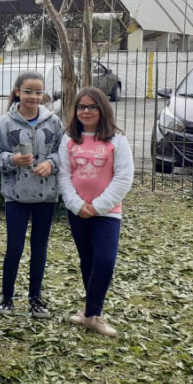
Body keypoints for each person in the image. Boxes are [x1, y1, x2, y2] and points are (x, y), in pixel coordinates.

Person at [58, 86, 134, 338]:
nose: (86, 111)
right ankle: (91, 313)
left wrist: (98, 206)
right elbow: (64, 174)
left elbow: (124, 177)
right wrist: (77, 205)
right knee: (88, 261)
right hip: (77, 211)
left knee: (105, 261)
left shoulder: (116, 139)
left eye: (92, 106)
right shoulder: (69, 138)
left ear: (102, 109)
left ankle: (93, 313)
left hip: (107, 212)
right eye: (82, 107)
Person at [0, 71, 63, 319]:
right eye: (28, 91)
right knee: (14, 247)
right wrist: (12, 160)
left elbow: (64, 152)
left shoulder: (54, 122)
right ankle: (7, 297)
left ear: (44, 95)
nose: (33, 96)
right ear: (18, 91)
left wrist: (51, 163)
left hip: (46, 195)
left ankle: (36, 298)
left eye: (38, 92)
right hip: (15, 196)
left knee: (39, 247)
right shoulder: (4, 124)